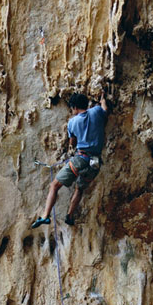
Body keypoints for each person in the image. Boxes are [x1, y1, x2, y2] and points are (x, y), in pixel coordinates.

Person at [31, 91, 109, 228]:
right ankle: (70, 216)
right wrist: (102, 101)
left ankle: (45, 216)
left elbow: (72, 142)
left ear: (74, 107)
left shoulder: (72, 122)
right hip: (95, 163)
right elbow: (105, 109)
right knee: (79, 189)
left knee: (54, 186)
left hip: (81, 159)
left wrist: (72, 145)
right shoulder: (97, 112)